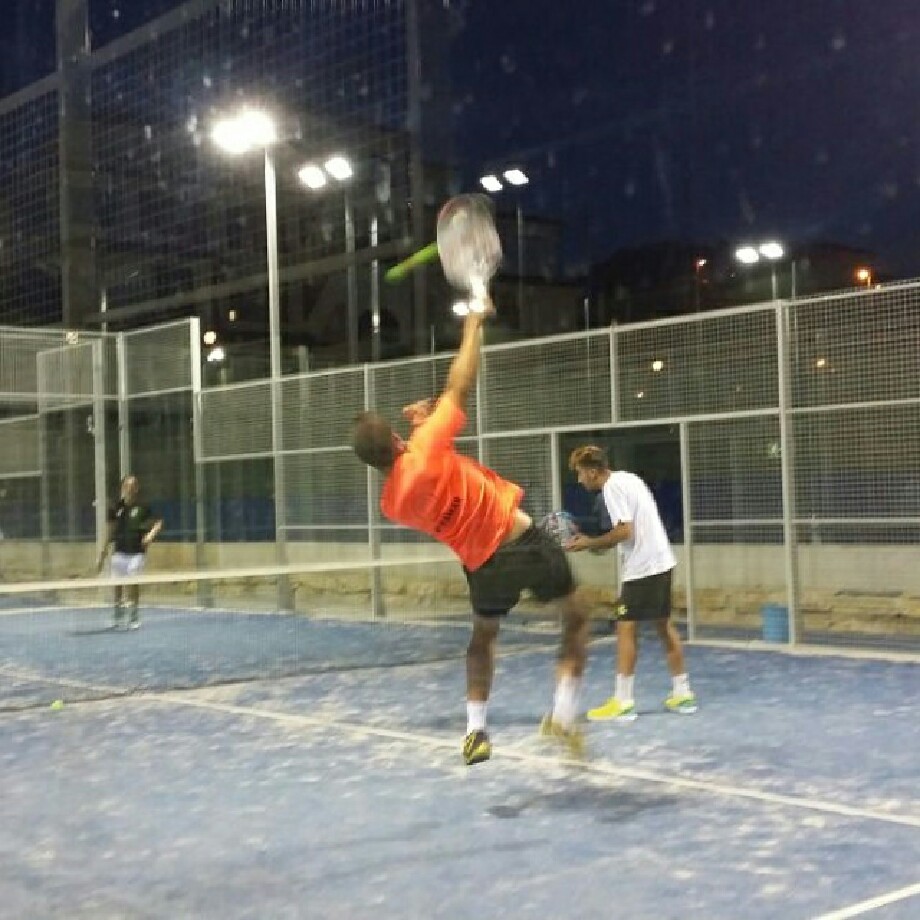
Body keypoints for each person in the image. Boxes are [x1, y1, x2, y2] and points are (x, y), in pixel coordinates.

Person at [351, 302, 590, 765]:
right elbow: (459, 383)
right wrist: (474, 322)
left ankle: (476, 730)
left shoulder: (393, 503)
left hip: (482, 568)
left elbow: (422, 472)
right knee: (577, 616)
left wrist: (421, 428)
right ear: (396, 440)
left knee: (483, 638)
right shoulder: (425, 448)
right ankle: (563, 715)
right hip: (523, 541)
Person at [566, 446, 697, 721]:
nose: (579, 479)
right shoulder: (629, 478)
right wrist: (593, 542)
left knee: (625, 627)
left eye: (580, 473)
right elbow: (623, 532)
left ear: (593, 471)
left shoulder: (611, 489)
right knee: (663, 626)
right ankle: (683, 694)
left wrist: (590, 542)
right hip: (662, 561)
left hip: (643, 568)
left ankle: (623, 701)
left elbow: (625, 531)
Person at [96, 475, 163, 630]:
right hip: (119, 552)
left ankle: (133, 616)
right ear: (122, 488)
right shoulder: (116, 508)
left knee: (133, 581)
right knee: (117, 586)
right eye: (127, 486)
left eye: (133, 486)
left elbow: (158, 523)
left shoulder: (143, 507)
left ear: (137, 488)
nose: (130, 489)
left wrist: (150, 535)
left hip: (137, 552)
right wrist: (102, 555)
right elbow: (109, 531)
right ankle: (118, 615)